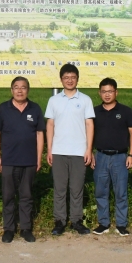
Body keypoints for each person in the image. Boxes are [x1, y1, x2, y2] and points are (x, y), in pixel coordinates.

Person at [0, 77, 45, 243]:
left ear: (28, 90)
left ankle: (25, 228)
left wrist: (39, 158)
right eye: (16, 87)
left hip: (29, 160)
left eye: (23, 87)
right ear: (11, 90)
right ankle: (8, 229)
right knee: (8, 196)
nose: (20, 91)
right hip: (9, 160)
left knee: (26, 196)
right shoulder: (3, 108)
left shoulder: (35, 109)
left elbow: (40, 134)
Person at [45, 63, 95, 235]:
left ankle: (76, 220)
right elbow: (50, 125)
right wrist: (49, 149)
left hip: (79, 151)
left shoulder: (85, 100)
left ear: (77, 79)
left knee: (76, 188)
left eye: (73, 77)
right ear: (61, 80)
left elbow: (89, 124)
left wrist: (89, 149)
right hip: (59, 151)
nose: (69, 80)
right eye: (66, 78)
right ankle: (59, 221)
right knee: (59, 189)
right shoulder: (54, 100)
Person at [91, 78, 132, 237]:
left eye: (110, 91)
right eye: (104, 91)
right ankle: (103, 223)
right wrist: (90, 152)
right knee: (100, 191)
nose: (107, 94)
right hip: (101, 156)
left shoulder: (125, 111)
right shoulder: (94, 112)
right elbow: (88, 133)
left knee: (121, 192)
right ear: (99, 93)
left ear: (116, 92)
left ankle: (121, 224)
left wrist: (131, 154)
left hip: (120, 157)